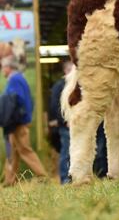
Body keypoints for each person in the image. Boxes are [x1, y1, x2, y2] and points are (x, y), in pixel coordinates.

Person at [2, 55, 48, 186]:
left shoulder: (15, 79)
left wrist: (11, 118)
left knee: (24, 149)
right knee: (13, 150)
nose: (2, 70)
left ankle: (42, 176)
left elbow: (15, 100)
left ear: (8, 67)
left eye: (3, 67)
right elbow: (29, 100)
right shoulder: (19, 78)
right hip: (18, 121)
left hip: (17, 122)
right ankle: (9, 180)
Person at [48, 60, 73, 184]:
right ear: (65, 71)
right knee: (66, 152)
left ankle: (76, 178)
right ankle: (64, 179)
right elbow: (54, 106)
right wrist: (65, 121)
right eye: (70, 70)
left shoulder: (77, 85)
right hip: (65, 126)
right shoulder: (59, 86)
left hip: (77, 125)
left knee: (76, 152)